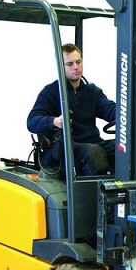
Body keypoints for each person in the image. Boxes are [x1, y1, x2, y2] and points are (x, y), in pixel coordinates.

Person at [27, 43, 116, 176]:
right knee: (93, 151)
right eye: (70, 64)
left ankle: (135, 186)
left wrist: (125, 113)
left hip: (92, 143)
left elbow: (108, 108)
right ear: (60, 66)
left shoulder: (92, 91)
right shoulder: (51, 92)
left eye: (78, 62)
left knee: (126, 147)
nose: (76, 67)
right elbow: (32, 121)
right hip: (64, 148)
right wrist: (54, 121)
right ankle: (100, 189)